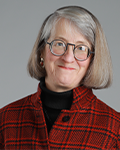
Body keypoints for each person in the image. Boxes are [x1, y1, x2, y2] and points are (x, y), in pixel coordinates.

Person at [0, 6, 120, 150]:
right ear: (41, 52)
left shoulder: (115, 128)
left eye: (81, 48)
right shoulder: (6, 119)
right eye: (59, 44)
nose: (68, 57)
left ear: (93, 60)